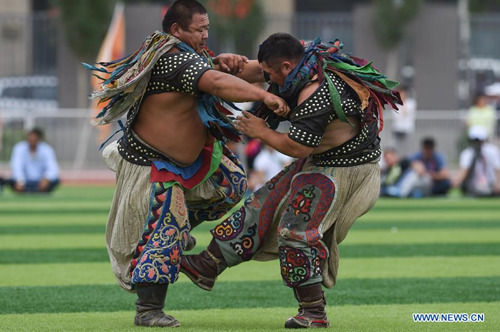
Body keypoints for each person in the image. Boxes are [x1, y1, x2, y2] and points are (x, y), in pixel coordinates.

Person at [83, 0, 288, 328]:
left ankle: (177, 232)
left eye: (208, 28)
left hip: (192, 163)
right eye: (199, 29)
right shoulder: (170, 58)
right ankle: (148, 310)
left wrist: (285, 63)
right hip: (155, 165)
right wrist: (263, 96)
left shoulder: (195, 56)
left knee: (232, 184)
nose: (206, 35)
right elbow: (219, 84)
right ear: (176, 30)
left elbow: (245, 71)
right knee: (167, 224)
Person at [180, 33, 401, 328]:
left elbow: (298, 147)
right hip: (320, 162)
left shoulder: (315, 92)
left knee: (295, 230)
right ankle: (208, 265)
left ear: (286, 67)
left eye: (271, 75)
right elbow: (251, 69)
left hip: (346, 169)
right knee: (261, 204)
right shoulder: (301, 60)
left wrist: (260, 130)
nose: (268, 80)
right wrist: (217, 64)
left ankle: (313, 313)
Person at [6, 127, 59, 193]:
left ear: (39, 138)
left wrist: (46, 179)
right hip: (24, 182)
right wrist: (20, 181)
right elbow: (16, 167)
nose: (32, 139)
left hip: (41, 181)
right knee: (11, 181)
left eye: (34, 137)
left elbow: (52, 168)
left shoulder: (47, 150)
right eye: (30, 136)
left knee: (55, 180)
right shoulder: (19, 148)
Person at [453, 125, 500, 196]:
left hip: (491, 183)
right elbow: (463, 171)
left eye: (479, 140)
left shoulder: (492, 151)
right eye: (474, 140)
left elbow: (498, 169)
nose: (477, 143)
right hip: (473, 184)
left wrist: (497, 184)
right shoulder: (467, 153)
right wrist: (455, 182)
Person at [391, 85, 416, 156]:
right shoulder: (395, 104)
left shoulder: (411, 103)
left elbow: (406, 112)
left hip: (407, 129)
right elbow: (396, 116)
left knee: (407, 149)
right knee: (395, 148)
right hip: (397, 128)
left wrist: (403, 102)